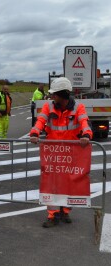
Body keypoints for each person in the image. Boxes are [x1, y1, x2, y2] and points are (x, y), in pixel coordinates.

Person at [29, 77, 92, 228]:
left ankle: (65, 211)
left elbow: (85, 123)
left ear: (63, 95)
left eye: (54, 94)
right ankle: (53, 215)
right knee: (51, 184)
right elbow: (40, 122)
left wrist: (86, 135)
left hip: (71, 153)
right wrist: (34, 133)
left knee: (70, 182)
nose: (52, 97)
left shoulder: (78, 108)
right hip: (53, 153)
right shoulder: (48, 107)